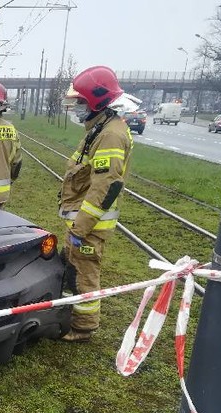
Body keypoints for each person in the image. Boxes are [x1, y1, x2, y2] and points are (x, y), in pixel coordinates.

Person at [58, 65, 134, 342]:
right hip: (82, 221)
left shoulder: (110, 134)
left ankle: (83, 327)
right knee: (75, 268)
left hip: (90, 225)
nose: (76, 107)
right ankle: (71, 317)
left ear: (95, 100)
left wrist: (80, 227)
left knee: (85, 272)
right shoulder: (100, 128)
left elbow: (106, 185)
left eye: (79, 102)